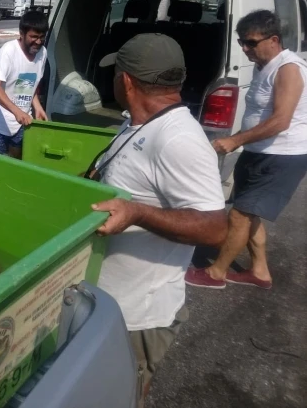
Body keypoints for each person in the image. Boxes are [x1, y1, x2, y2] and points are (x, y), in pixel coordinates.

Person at [88, 34, 228, 406]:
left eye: (117, 73)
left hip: (137, 315)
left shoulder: (177, 138)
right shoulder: (139, 123)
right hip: (110, 302)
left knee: (124, 393)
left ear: (128, 81)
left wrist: (138, 212)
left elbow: (216, 228)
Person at [186, 10, 307, 290]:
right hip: (259, 150)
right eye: (242, 42)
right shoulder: (263, 66)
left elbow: (280, 120)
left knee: (240, 214)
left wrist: (236, 140)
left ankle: (216, 273)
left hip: (282, 156)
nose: (244, 48)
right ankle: (260, 271)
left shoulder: (288, 68)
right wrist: (239, 138)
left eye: (251, 43)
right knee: (247, 213)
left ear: (273, 39)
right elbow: (260, 116)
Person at [0, 10, 49, 158]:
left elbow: (28, 84)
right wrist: (17, 111)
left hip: (22, 124)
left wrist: (37, 107)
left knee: (18, 164)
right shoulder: (8, 51)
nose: (38, 42)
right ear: (21, 34)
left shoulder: (42, 53)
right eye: (34, 37)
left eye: (42, 37)